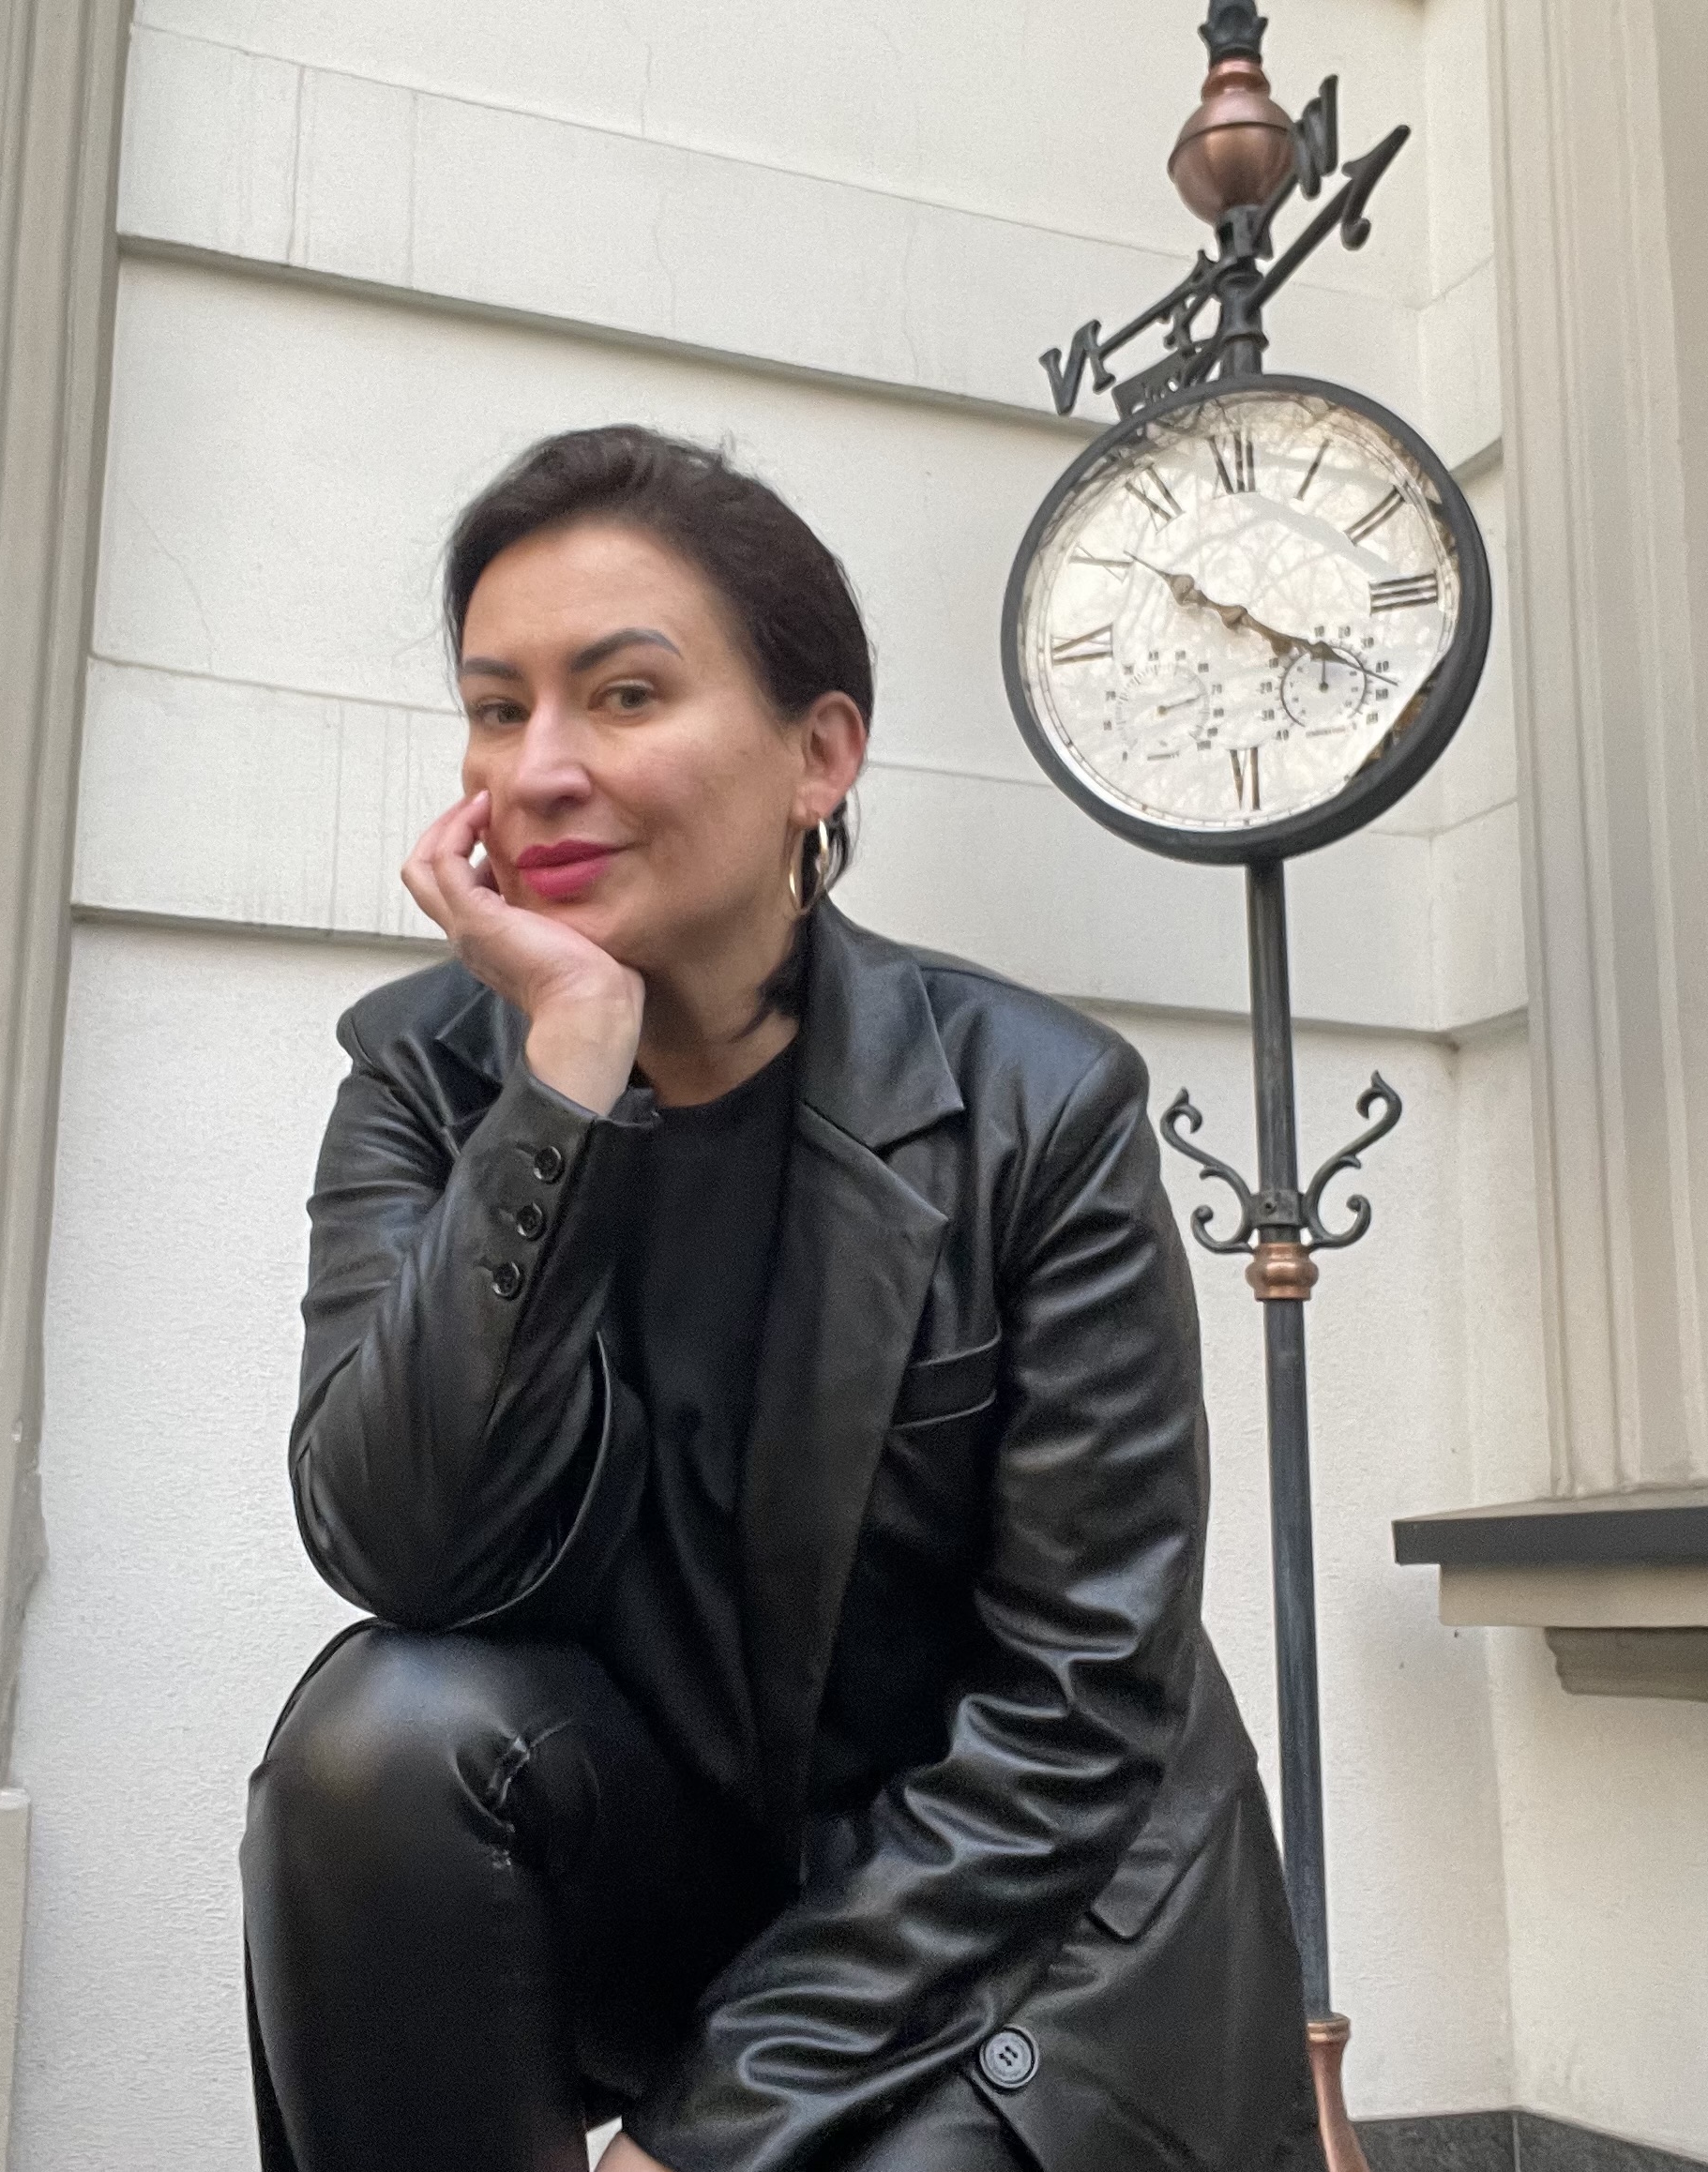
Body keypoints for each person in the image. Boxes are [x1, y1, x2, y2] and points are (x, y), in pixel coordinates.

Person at [239, 425, 1315, 2172]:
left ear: (820, 755)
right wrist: (562, 1083)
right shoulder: (428, 1079)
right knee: (381, 1744)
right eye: (498, 709)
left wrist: (703, 2139)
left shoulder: (1040, 1107)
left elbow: (1078, 1710)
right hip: (687, 1883)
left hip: (1018, 1926)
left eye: (625, 695)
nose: (539, 770)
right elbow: (401, 1550)